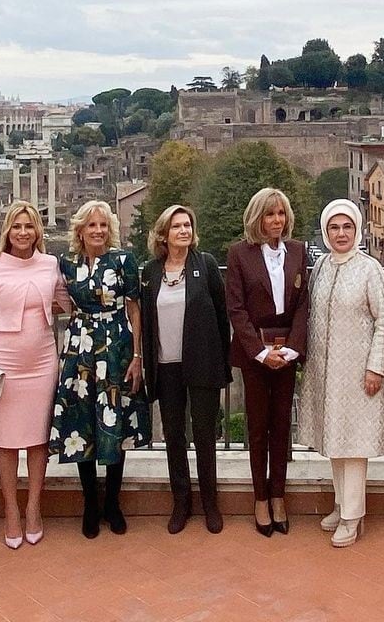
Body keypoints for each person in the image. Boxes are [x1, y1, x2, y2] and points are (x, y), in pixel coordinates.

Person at [298, 199, 384, 547]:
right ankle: (341, 504)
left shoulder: (369, 269)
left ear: (357, 230)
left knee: (355, 444)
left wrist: (376, 367)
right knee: (335, 440)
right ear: (325, 231)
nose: (341, 234)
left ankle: (352, 516)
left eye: (347, 227)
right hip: (327, 373)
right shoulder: (322, 266)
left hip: (359, 374)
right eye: (334, 227)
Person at [50, 200, 151, 539]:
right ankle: (90, 504)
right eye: (91, 225)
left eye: (103, 225)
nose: (98, 231)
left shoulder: (123, 260)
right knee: (83, 424)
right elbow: (57, 301)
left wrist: (137, 355)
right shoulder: (66, 264)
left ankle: (113, 503)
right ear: (80, 230)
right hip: (80, 350)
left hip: (117, 347)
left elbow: (135, 308)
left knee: (115, 421)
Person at [0, 201, 68, 549]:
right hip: (6, 364)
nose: (23, 232)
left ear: (37, 230)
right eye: (17, 226)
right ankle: (11, 510)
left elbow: (68, 302)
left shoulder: (51, 264)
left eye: (29, 226)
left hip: (42, 361)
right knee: (8, 442)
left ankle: (33, 509)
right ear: (7, 231)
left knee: (38, 440)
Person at [141, 205, 230, 534]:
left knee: (205, 435)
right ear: (164, 234)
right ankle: (181, 502)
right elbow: (146, 321)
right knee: (174, 435)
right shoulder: (151, 272)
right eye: (177, 226)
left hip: (203, 363)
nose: (184, 231)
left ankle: (210, 503)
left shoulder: (205, 265)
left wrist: (223, 363)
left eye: (187, 225)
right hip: (166, 366)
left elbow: (221, 315)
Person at [226, 188, 309, 536]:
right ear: (257, 218)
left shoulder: (299, 251)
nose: (276, 220)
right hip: (255, 354)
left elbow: (303, 305)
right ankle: (260, 498)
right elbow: (236, 308)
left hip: (286, 353)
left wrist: (292, 349)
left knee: (281, 427)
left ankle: (278, 496)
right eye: (269, 214)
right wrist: (260, 352)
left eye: (281, 213)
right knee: (258, 428)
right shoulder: (239, 254)